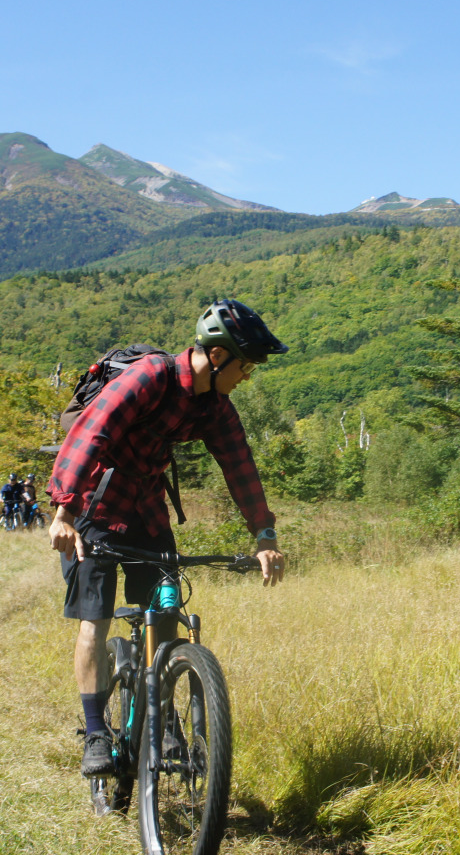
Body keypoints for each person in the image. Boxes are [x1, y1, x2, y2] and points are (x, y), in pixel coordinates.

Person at [47, 298, 288, 780]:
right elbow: (91, 434)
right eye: (246, 367)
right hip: (93, 507)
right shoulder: (152, 377)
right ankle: (96, 731)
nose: (247, 377)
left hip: (147, 509)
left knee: (167, 607)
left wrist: (263, 533)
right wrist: (65, 511)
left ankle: (165, 709)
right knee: (94, 620)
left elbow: (240, 466)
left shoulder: (214, 406)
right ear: (217, 357)